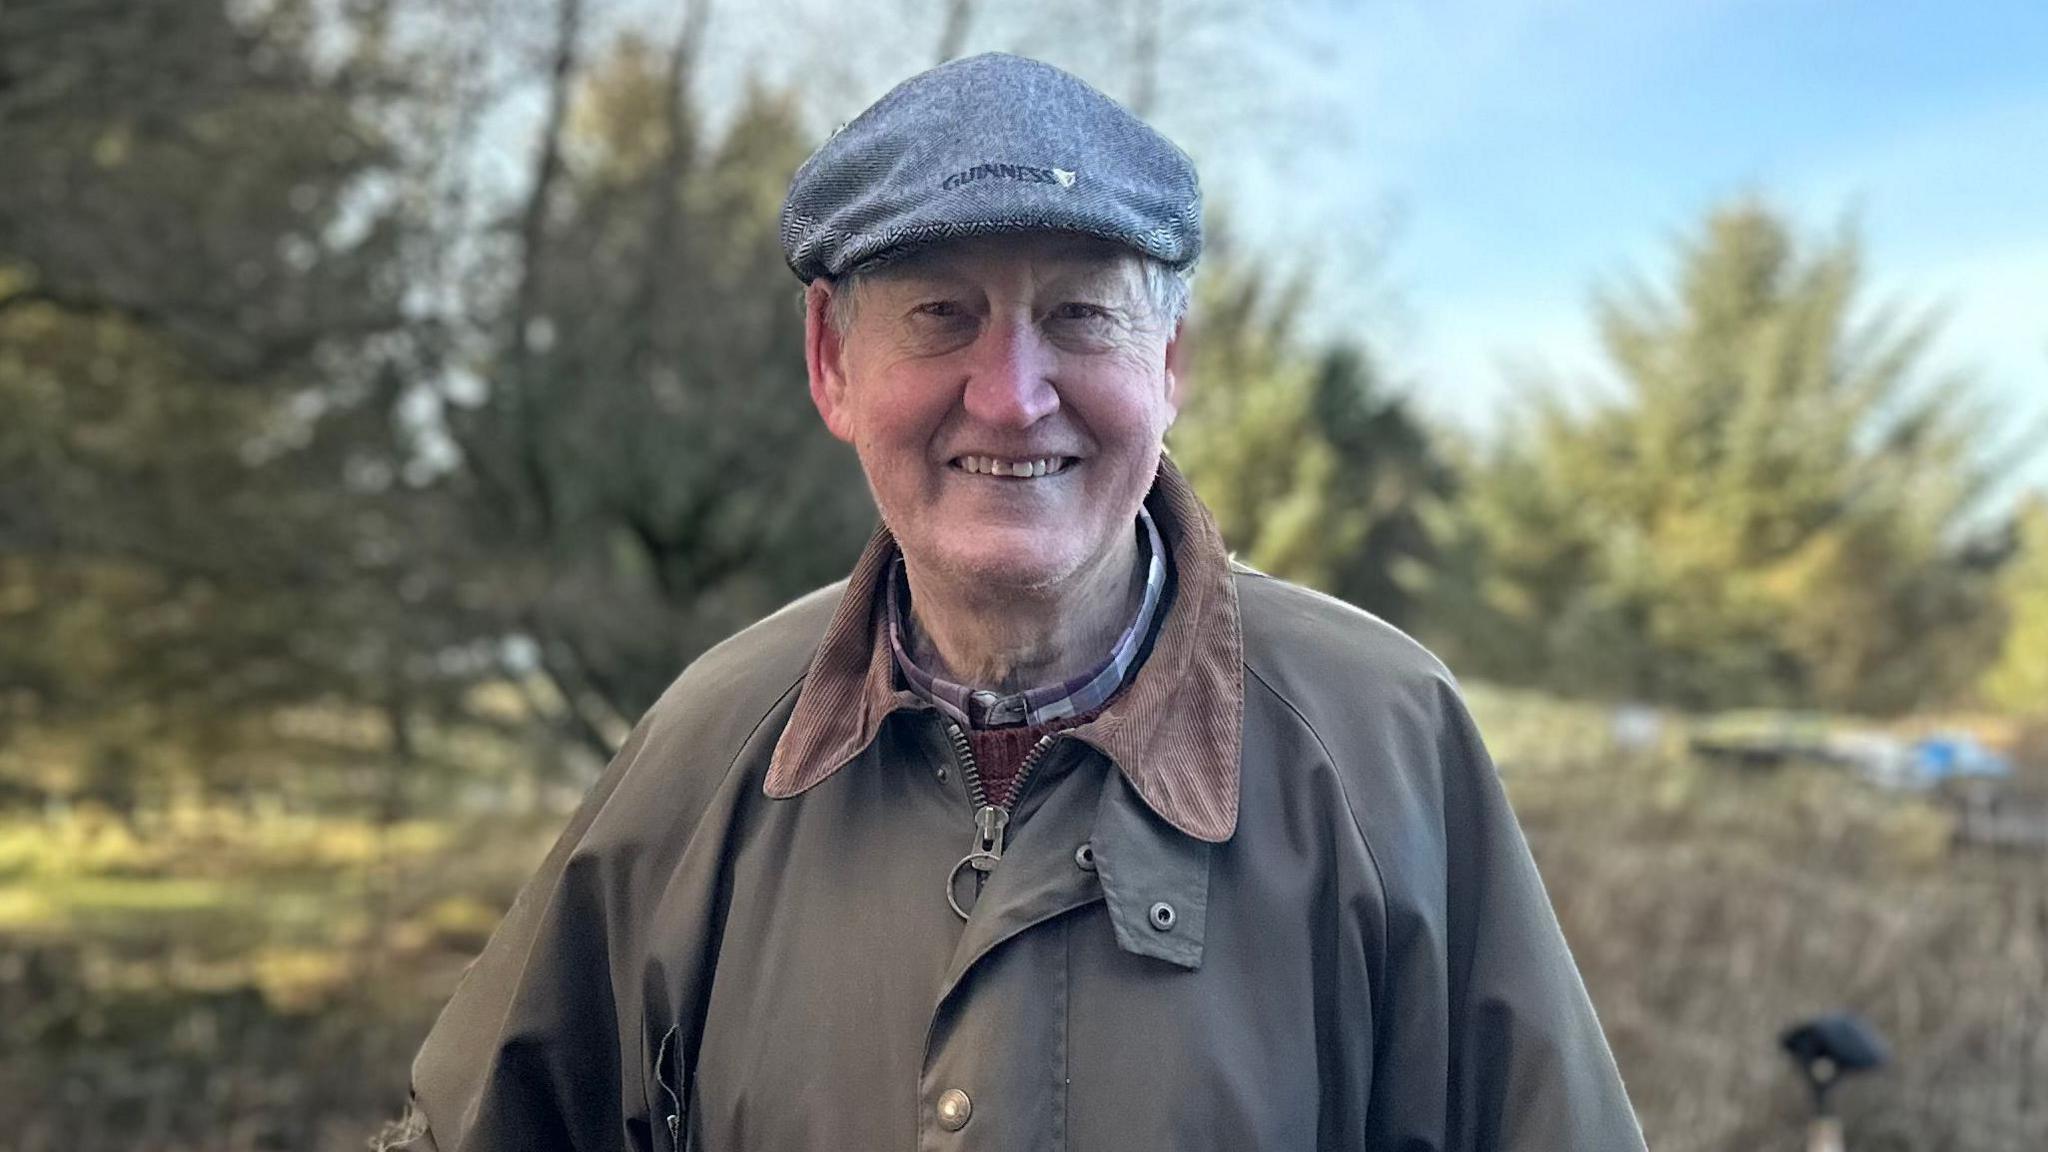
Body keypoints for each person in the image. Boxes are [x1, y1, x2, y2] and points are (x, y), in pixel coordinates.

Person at [401, 52, 1646, 1151]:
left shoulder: (1384, 742)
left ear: (1166, 366)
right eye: (940, 316)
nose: (1009, 395)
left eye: (1077, 315)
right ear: (832, 362)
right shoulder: (709, 746)